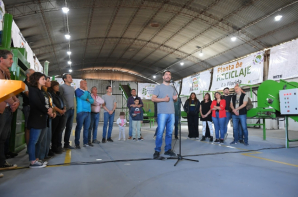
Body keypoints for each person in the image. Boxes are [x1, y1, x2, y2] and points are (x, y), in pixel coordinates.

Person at [27, 72, 53, 168]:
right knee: (33, 140)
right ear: (37, 79)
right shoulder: (33, 90)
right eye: (43, 78)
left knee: (39, 141)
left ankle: (37, 159)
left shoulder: (40, 91)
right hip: (36, 119)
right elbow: (37, 104)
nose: (45, 80)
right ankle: (33, 161)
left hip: (42, 118)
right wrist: (48, 111)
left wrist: (49, 110)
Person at [0, 50, 19, 171]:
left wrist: (17, 101)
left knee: (3, 138)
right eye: (10, 59)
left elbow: (10, 90)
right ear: (1, 59)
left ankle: (1, 163)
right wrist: (12, 103)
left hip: (7, 110)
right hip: (2, 109)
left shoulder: (5, 74)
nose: (12, 61)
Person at [152, 70, 177, 159]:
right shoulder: (158, 87)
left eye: (169, 75)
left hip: (172, 113)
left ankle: (168, 150)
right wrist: (163, 99)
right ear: (163, 77)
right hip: (162, 113)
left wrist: (175, 98)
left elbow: (175, 99)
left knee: (169, 133)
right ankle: (157, 151)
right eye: (166, 74)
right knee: (160, 132)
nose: (168, 76)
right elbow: (153, 99)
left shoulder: (173, 88)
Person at [38, 77, 56, 161]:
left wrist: (53, 112)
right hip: (44, 115)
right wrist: (49, 112)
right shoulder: (41, 92)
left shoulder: (48, 93)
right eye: (47, 81)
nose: (48, 82)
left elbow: (51, 104)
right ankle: (41, 156)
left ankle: (45, 154)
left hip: (49, 115)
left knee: (48, 137)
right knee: (43, 138)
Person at [74, 80, 94, 148]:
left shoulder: (87, 92)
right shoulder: (78, 91)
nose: (86, 84)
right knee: (79, 128)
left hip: (88, 111)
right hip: (81, 112)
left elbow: (92, 101)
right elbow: (84, 97)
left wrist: (87, 98)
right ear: (80, 83)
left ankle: (86, 142)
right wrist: (86, 92)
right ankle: (77, 143)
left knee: (87, 128)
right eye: (84, 83)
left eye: (86, 83)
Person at [48, 81, 66, 154]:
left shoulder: (58, 94)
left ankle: (57, 146)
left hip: (61, 114)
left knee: (58, 131)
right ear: (52, 87)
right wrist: (60, 111)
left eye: (58, 86)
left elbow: (62, 102)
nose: (57, 87)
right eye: (56, 86)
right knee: (54, 131)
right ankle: (53, 147)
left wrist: (64, 109)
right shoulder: (51, 95)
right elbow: (53, 105)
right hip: (56, 114)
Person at [60, 73, 75, 150]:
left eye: (71, 77)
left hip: (72, 110)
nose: (71, 78)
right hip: (65, 110)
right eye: (69, 77)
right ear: (65, 79)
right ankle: (58, 145)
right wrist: (63, 108)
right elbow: (60, 98)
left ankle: (66, 144)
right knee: (62, 128)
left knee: (69, 128)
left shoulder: (72, 88)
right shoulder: (62, 87)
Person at [21, 68, 35, 147]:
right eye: (33, 74)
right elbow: (29, 95)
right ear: (27, 75)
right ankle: (29, 148)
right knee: (28, 128)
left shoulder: (34, 84)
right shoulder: (24, 84)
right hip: (28, 107)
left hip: (35, 108)